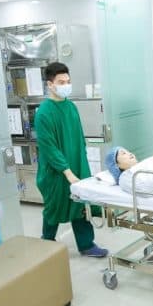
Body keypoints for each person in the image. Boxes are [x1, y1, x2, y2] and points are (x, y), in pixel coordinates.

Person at [35, 62, 108, 258]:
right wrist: (67, 172)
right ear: (50, 84)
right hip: (55, 171)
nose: (66, 85)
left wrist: (82, 166)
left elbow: (79, 139)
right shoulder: (43, 113)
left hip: (77, 164)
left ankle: (86, 244)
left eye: (68, 81)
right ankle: (47, 241)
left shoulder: (71, 107)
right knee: (54, 205)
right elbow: (49, 148)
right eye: (61, 82)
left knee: (81, 204)